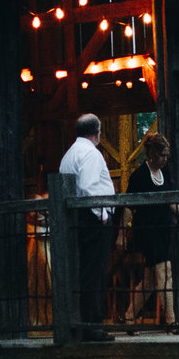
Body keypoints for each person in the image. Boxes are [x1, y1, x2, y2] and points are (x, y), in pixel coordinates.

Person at [121, 131, 179, 326]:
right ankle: (172, 322)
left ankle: (129, 317)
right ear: (153, 154)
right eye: (163, 155)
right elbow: (129, 206)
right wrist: (122, 234)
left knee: (149, 281)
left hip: (163, 229)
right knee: (165, 272)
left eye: (167, 156)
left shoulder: (165, 173)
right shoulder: (139, 176)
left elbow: (170, 199)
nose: (165, 159)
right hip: (147, 230)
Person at [58, 113, 117, 328]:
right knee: (96, 272)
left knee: (84, 272)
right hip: (92, 219)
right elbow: (89, 187)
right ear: (97, 132)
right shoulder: (91, 154)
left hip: (77, 219)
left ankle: (83, 323)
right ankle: (93, 326)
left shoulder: (69, 154)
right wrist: (102, 215)